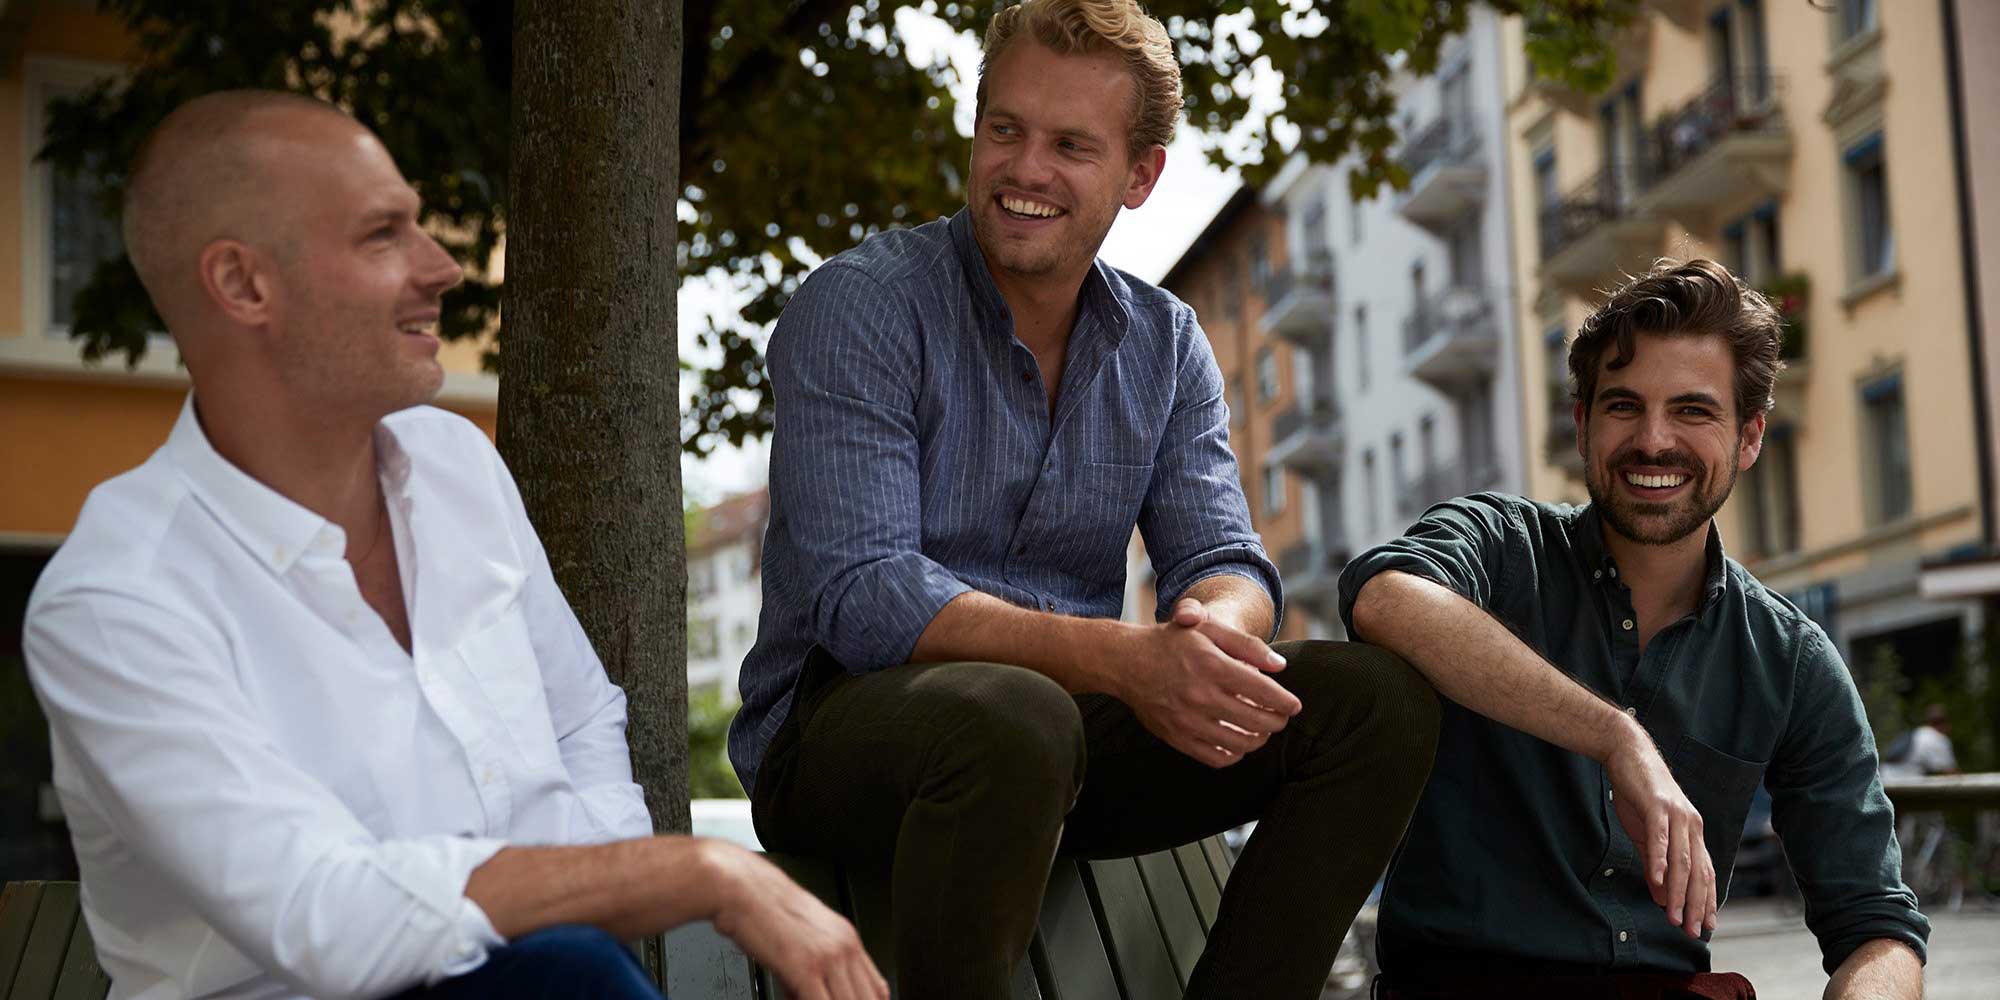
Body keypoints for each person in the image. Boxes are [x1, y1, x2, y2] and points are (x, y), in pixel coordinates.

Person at [22, 91, 884, 1000]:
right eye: (381, 234)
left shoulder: (453, 467)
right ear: (243, 285)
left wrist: (590, 920)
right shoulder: (117, 598)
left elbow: (581, 719)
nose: (442, 266)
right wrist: (695, 873)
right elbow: (328, 917)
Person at [728, 2, 1440, 997]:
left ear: (1139, 175)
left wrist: (1205, 632)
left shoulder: (1165, 344)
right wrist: (1127, 660)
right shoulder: (863, 305)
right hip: (841, 730)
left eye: (1069, 144)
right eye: (1004, 130)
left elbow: (1224, 558)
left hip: (1063, 735)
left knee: (1378, 705)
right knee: (1017, 718)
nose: (1024, 170)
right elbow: (864, 594)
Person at [1340, 259, 1929, 999]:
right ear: (1583, 425)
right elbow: (1385, 598)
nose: (1653, 441)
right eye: (1624, 406)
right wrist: (1618, 739)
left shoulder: (1791, 660)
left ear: (1748, 438)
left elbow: (1877, 929)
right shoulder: (1499, 543)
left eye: (1692, 411)